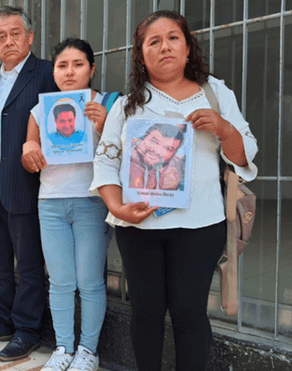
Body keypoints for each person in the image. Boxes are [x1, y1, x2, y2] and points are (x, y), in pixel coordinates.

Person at [90, 11, 258, 370]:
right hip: (139, 228)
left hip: (202, 225)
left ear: (187, 47)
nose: (164, 46)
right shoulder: (126, 104)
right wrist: (116, 207)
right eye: (153, 41)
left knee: (190, 312)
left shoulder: (215, 93)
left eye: (173, 38)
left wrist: (225, 129)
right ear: (140, 54)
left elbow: (247, 155)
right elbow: (105, 161)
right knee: (146, 312)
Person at [0, 5, 56, 362]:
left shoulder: (46, 72)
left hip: (25, 180)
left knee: (29, 261)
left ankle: (27, 330)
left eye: (15, 33)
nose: (8, 41)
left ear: (30, 37)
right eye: (0, 36)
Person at [21, 38, 115, 371]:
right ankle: (63, 347)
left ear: (92, 68)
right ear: (53, 70)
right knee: (60, 281)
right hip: (50, 202)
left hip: (92, 200)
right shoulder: (40, 109)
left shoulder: (105, 104)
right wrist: (28, 150)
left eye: (78, 64)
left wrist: (104, 124)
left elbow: (122, 153)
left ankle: (88, 351)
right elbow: (29, 146)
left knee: (90, 280)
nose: (70, 71)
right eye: (62, 65)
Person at [128, 123, 186, 190]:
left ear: (174, 154)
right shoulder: (126, 156)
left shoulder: (178, 170)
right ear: (142, 140)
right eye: (154, 141)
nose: (157, 151)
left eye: (168, 149)